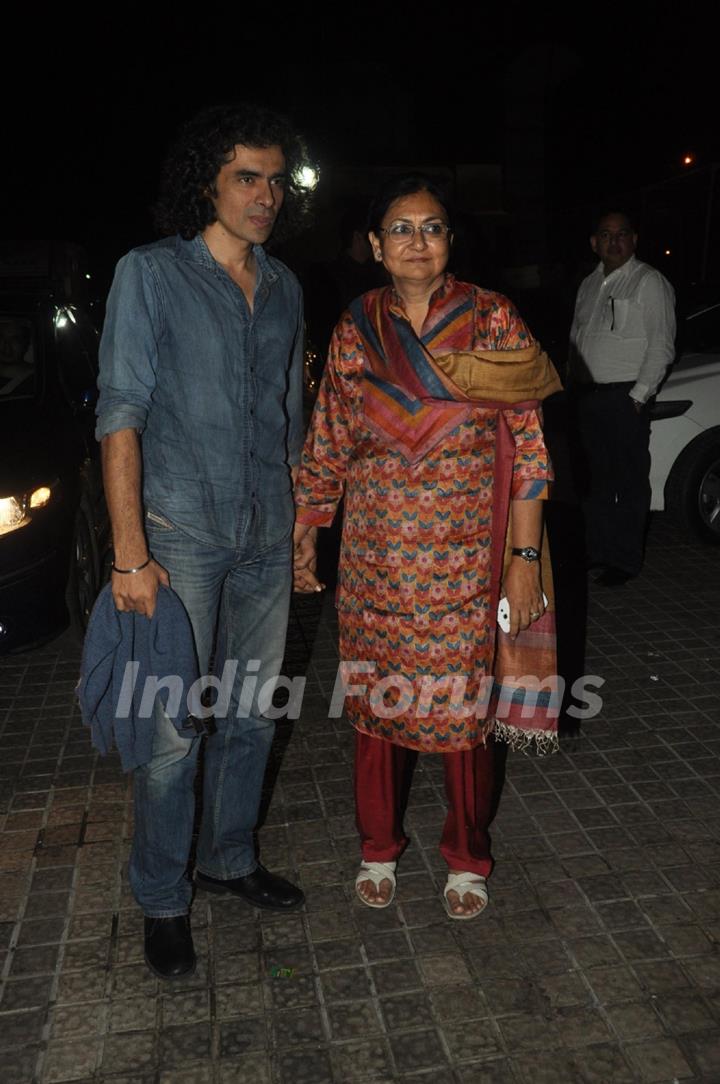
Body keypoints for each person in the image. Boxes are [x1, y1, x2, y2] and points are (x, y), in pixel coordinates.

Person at [293, 174, 561, 920]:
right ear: (377, 246)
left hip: (467, 556)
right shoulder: (356, 326)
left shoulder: (493, 318)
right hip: (377, 558)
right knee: (380, 713)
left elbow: (532, 452)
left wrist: (524, 559)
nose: (418, 241)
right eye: (401, 229)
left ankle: (466, 856)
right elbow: (331, 436)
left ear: (450, 240)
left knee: (462, 720)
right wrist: (308, 530)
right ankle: (376, 846)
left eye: (433, 227)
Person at [96, 103, 310, 979]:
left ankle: (227, 860)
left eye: (275, 181)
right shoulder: (150, 275)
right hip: (178, 540)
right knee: (173, 731)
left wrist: (303, 532)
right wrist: (128, 553)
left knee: (254, 717)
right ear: (206, 184)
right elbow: (121, 416)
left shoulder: (288, 286)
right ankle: (161, 896)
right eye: (245, 178)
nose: (265, 197)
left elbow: (290, 415)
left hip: (267, 533)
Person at [569, 211, 676, 585]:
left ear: (634, 240)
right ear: (594, 242)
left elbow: (662, 345)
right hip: (588, 397)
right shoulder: (588, 284)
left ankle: (625, 561)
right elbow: (577, 340)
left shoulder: (648, 282)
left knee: (628, 483)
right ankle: (596, 552)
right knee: (593, 482)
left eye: (622, 235)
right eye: (606, 235)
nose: (614, 242)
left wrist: (638, 396)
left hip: (623, 397)